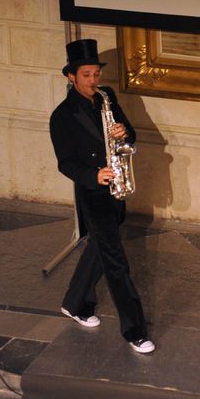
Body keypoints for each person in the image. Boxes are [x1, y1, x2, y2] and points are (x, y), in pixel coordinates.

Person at [48, 39, 155, 354]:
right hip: (93, 192)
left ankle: (76, 303)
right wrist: (92, 175)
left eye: (96, 74)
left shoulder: (108, 98)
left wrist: (125, 134)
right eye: (87, 75)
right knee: (115, 260)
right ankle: (135, 331)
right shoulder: (62, 116)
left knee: (99, 245)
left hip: (116, 188)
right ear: (71, 77)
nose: (94, 81)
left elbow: (130, 135)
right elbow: (65, 162)